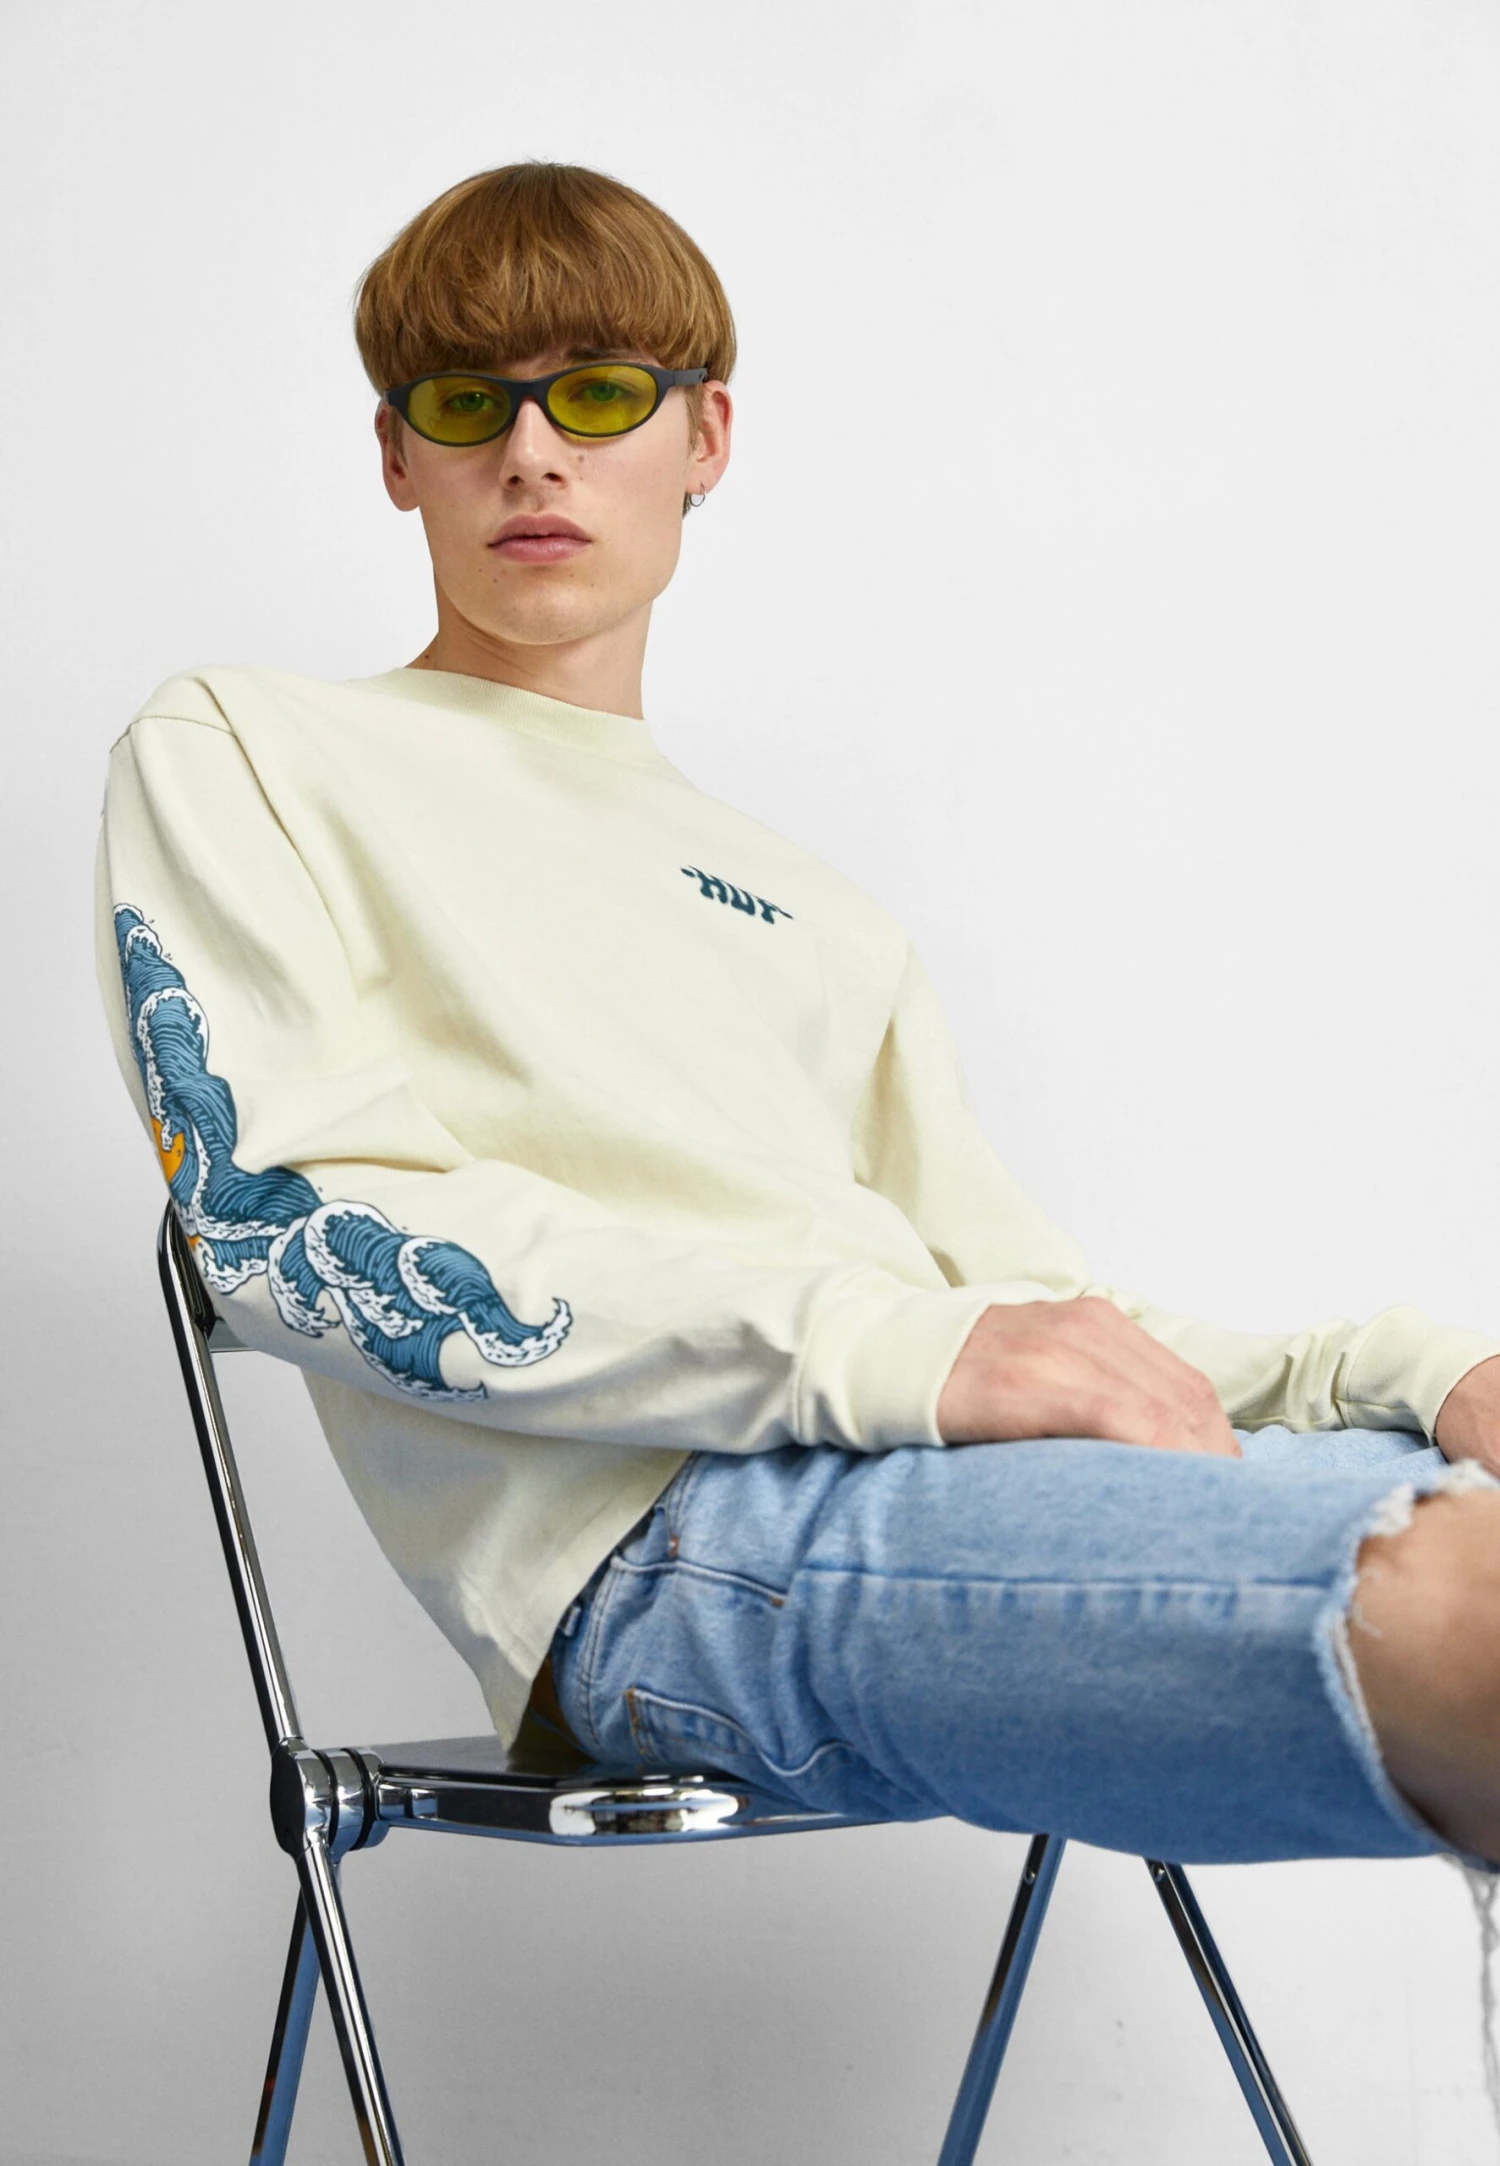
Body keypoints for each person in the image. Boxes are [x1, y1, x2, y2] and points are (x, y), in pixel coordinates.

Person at [97, 162, 1500, 1968]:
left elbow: (1030, 1321)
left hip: (928, 1468)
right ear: (397, 456)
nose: (531, 454)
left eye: (598, 394)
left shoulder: (818, 913)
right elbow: (282, 1224)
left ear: (705, 436)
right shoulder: (250, 747)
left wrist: (1409, 1369)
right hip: (659, 1545)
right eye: (466, 404)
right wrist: (905, 1351)